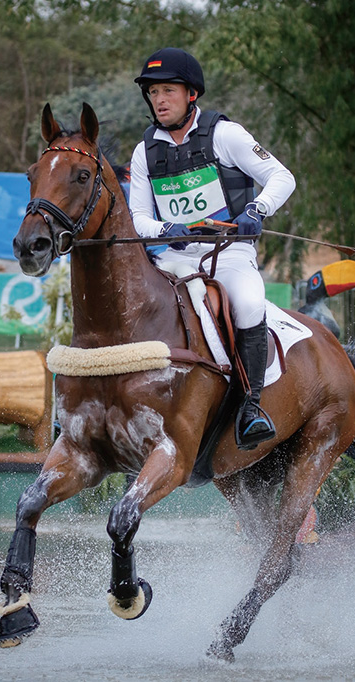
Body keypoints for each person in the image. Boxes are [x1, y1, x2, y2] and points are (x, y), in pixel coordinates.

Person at [129, 47, 296, 450]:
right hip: (173, 257)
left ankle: (251, 407)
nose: (160, 100)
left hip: (228, 253)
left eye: (168, 91)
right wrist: (167, 228)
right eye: (153, 93)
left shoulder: (225, 135)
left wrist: (257, 208)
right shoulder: (144, 151)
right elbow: (138, 217)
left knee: (250, 304)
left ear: (191, 95)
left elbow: (282, 177)